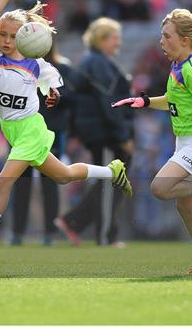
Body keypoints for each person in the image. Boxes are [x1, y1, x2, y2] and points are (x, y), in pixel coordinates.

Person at [0, 0, 132, 260]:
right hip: (12, 130)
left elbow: (55, 87)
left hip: (30, 129)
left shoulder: (36, 63)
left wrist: (53, 95)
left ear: (24, 37)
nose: (7, 40)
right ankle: (113, 171)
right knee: (63, 176)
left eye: (13, 35)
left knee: (2, 182)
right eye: (3, 35)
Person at [112, 8, 192, 275]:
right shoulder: (177, 66)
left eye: (167, 36)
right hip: (186, 140)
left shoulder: (190, 68)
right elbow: (172, 101)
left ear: (185, 41)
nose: (161, 41)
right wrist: (143, 101)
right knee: (184, 204)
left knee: (160, 188)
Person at [54, 17, 134, 247]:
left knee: (109, 179)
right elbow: (109, 101)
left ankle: (73, 222)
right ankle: (105, 236)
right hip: (106, 133)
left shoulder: (95, 61)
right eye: (114, 37)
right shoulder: (97, 62)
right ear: (102, 39)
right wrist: (123, 135)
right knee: (112, 180)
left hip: (101, 131)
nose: (118, 41)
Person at [11, 43, 76, 246]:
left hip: (51, 132)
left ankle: (50, 232)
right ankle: (17, 233)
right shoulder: (19, 66)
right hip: (23, 132)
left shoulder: (62, 68)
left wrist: (56, 95)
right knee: (21, 183)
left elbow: (72, 98)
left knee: (51, 183)